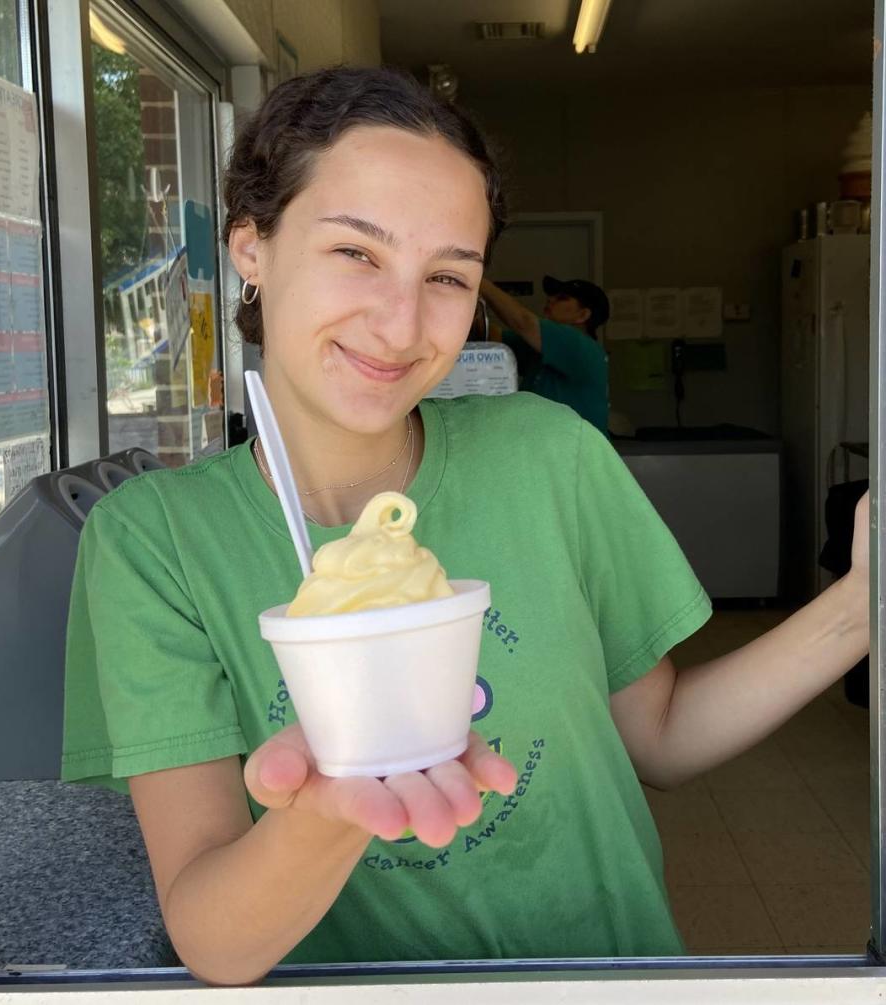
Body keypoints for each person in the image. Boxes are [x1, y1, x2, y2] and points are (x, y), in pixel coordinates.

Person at [61, 66, 869, 985]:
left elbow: (664, 737)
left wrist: (860, 604)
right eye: (356, 253)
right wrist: (329, 812)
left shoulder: (547, 455)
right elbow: (212, 934)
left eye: (448, 275)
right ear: (252, 245)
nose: (402, 324)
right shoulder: (154, 541)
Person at [480, 275, 610, 433]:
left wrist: (480, 282)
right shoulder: (543, 348)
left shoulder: (579, 345)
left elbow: (523, 322)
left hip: (570, 452)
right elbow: (493, 336)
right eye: (552, 296)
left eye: (562, 298)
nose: (550, 300)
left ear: (583, 315)